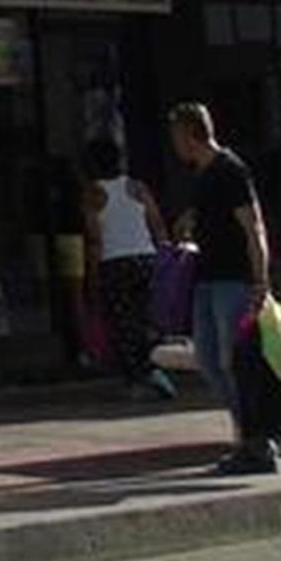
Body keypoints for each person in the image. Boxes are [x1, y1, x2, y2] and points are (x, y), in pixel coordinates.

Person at [166, 100, 277, 475]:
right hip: (205, 277)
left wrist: (261, 280)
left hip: (232, 278)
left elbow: (253, 225)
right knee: (210, 359)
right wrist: (187, 221)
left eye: (176, 135)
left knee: (235, 362)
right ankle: (251, 433)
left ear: (188, 134)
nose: (174, 144)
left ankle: (256, 441)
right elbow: (205, 216)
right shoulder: (202, 174)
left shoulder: (230, 169)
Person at [84, 136, 175, 401]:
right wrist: (166, 256)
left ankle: (137, 378)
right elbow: (157, 224)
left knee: (123, 324)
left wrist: (92, 274)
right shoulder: (137, 187)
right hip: (145, 258)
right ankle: (156, 369)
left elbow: (94, 239)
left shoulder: (93, 193)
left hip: (114, 263)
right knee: (148, 319)